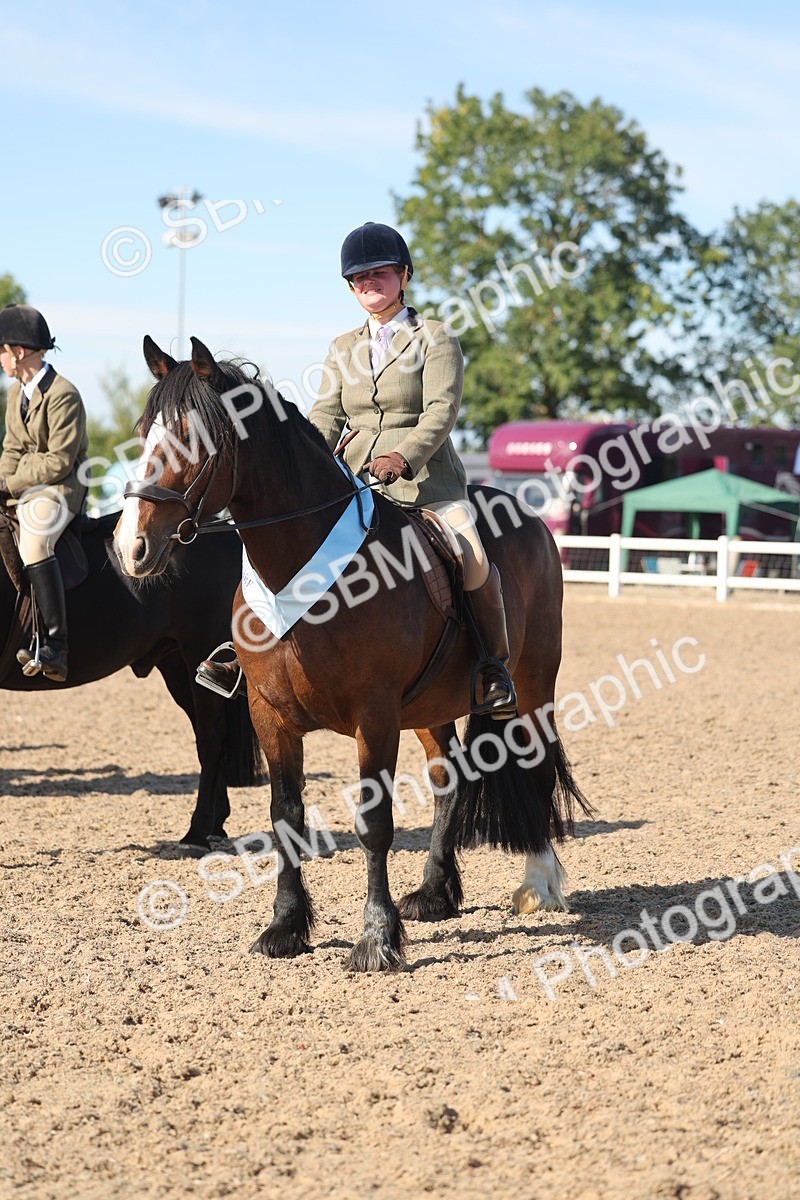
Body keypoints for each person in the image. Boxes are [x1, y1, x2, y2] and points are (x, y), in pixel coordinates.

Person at [199, 222, 517, 717]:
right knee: (275, 548)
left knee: (471, 556)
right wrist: (300, 462)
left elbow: (440, 410)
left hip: (426, 483)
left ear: (404, 275)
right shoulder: (342, 347)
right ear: (350, 287)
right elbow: (326, 413)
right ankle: (244, 655)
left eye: (380, 273)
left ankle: (493, 667)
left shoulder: (435, 337)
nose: (370, 282)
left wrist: (402, 457)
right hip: (351, 483)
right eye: (360, 277)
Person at [0, 304, 88, 682]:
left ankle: (56, 645)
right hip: (27, 486)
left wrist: (10, 483)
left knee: (35, 541)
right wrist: (2, 485)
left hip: (61, 488)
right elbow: (12, 449)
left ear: (18, 352)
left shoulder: (64, 393)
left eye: (1, 348)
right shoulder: (14, 394)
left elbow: (59, 460)